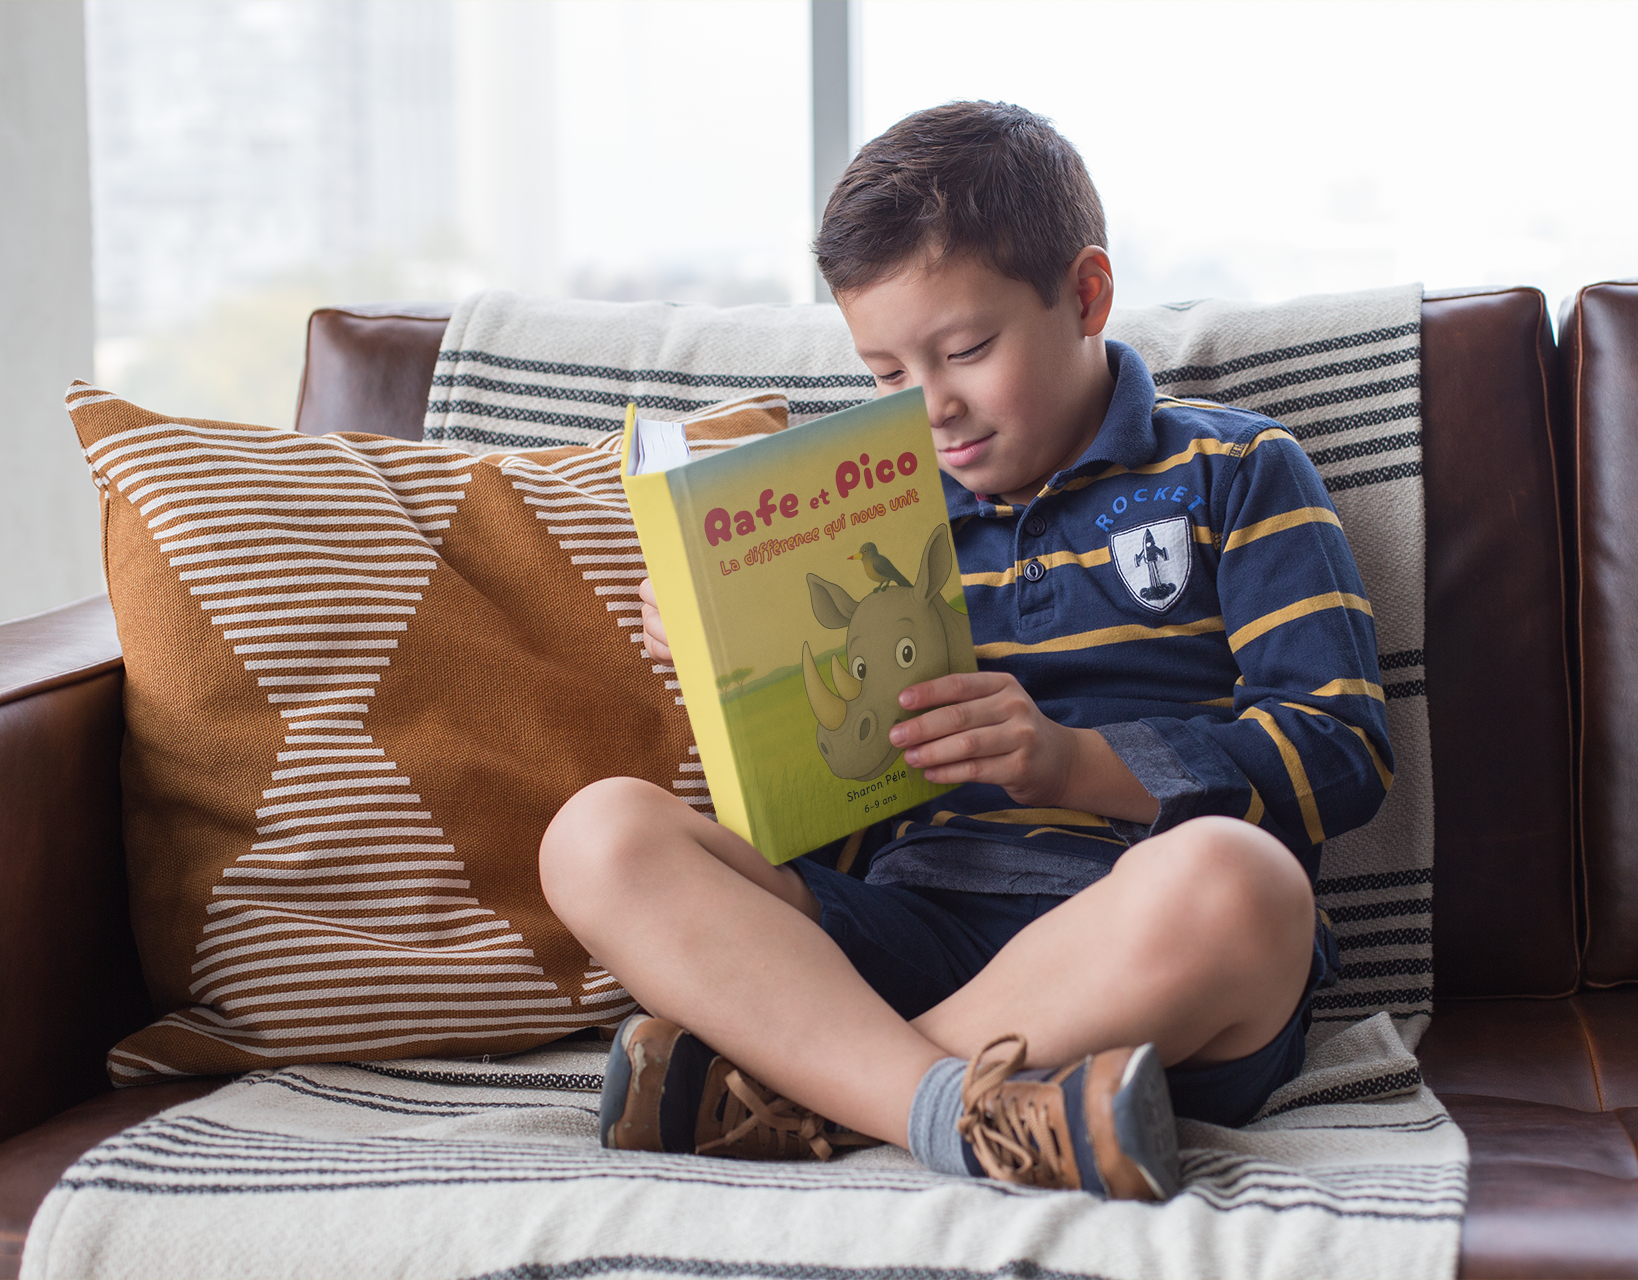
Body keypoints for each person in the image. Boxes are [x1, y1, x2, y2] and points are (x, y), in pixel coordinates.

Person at [539, 101, 1392, 1202]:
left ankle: (819, 1096)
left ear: (1085, 294)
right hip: (901, 931)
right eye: (888, 374)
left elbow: (1342, 747)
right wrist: (730, 678)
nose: (932, 409)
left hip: (1147, 947)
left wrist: (1072, 761)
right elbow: (829, 819)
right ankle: (971, 1111)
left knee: (1244, 880)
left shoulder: (1233, 470)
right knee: (596, 833)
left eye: (968, 350)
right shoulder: (877, 517)